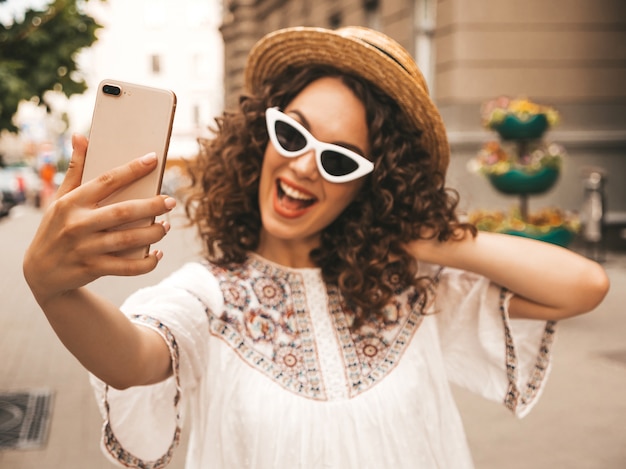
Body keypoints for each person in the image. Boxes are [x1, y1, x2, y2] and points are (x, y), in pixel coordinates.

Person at [23, 26, 609, 469]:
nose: (304, 165)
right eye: (291, 132)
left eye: (337, 159)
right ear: (261, 135)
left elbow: (585, 286)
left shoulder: (412, 291)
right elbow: (131, 361)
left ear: (370, 182)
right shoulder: (209, 293)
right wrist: (54, 290)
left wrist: (435, 239)